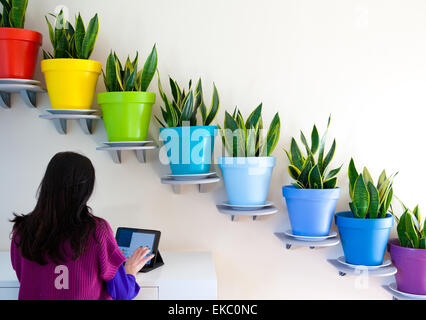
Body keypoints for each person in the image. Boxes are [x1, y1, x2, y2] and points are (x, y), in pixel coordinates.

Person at [10, 152, 154, 300]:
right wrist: (129, 270)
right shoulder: (97, 231)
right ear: (86, 190)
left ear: (47, 184)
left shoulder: (20, 230)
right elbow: (123, 293)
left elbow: (27, 278)